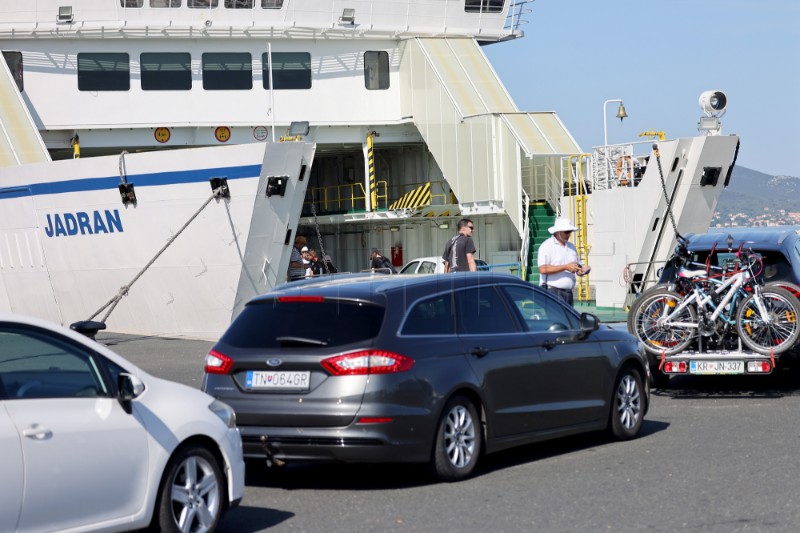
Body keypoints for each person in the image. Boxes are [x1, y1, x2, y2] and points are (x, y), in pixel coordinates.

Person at [537, 217, 591, 306]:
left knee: (567, 319)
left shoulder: (572, 247)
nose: (569, 234)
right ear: (558, 232)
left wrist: (582, 270)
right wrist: (565, 267)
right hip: (552, 291)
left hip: (568, 293)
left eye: (570, 231)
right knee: (558, 319)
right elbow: (542, 269)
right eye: (567, 232)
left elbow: (577, 267)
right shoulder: (546, 246)